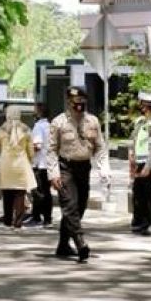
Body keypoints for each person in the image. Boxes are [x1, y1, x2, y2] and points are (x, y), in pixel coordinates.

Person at [46, 86, 109, 262]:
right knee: (70, 206)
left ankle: (63, 245)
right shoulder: (58, 122)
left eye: (82, 103)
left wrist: (104, 169)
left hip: (84, 168)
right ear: (69, 102)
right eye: (75, 103)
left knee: (79, 206)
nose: (79, 106)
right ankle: (80, 242)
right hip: (66, 168)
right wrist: (53, 173)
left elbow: (100, 147)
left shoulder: (93, 121)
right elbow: (51, 150)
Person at [0, 106, 36, 229]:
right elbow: (31, 150)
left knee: (7, 193)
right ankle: (18, 223)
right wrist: (31, 159)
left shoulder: (2, 129)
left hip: (6, 165)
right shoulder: (26, 129)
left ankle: (7, 221)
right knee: (20, 193)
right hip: (21, 165)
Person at [129, 91, 151, 235]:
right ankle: (139, 221)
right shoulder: (140, 122)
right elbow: (135, 141)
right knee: (138, 192)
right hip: (139, 162)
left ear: (146, 106)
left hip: (150, 163)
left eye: (142, 104)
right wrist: (131, 159)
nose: (140, 106)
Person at [25, 102, 53, 228]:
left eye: (35, 110)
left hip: (39, 163)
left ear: (39, 112)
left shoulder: (38, 127)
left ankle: (36, 217)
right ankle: (47, 217)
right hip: (48, 164)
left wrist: (27, 153)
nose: (33, 112)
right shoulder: (49, 125)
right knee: (46, 192)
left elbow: (37, 145)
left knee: (37, 191)